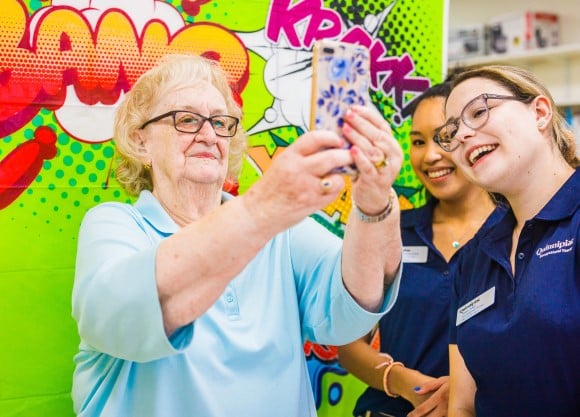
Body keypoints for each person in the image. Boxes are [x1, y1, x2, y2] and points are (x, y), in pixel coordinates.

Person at [71, 54, 404, 417]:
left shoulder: (283, 231)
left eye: (221, 122)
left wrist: (373, 202)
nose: (209, 134)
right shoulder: (115, 224)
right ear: (140, 142)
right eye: (186, 120)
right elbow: (122, 317)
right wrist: (262, 208)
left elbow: (350, 314)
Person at [337, 80, 498, 417]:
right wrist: (405, 383)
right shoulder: (391, 230)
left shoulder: (518, 233)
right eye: (418, 142)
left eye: (444, 137)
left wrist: (464, 391)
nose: (430, 155)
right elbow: (349, 345)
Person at [432, 65, 579, 417]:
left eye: (479, 112)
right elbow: (463, 405)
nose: (462, 136)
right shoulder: (474, 258)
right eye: (451, 132)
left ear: (540, 112)